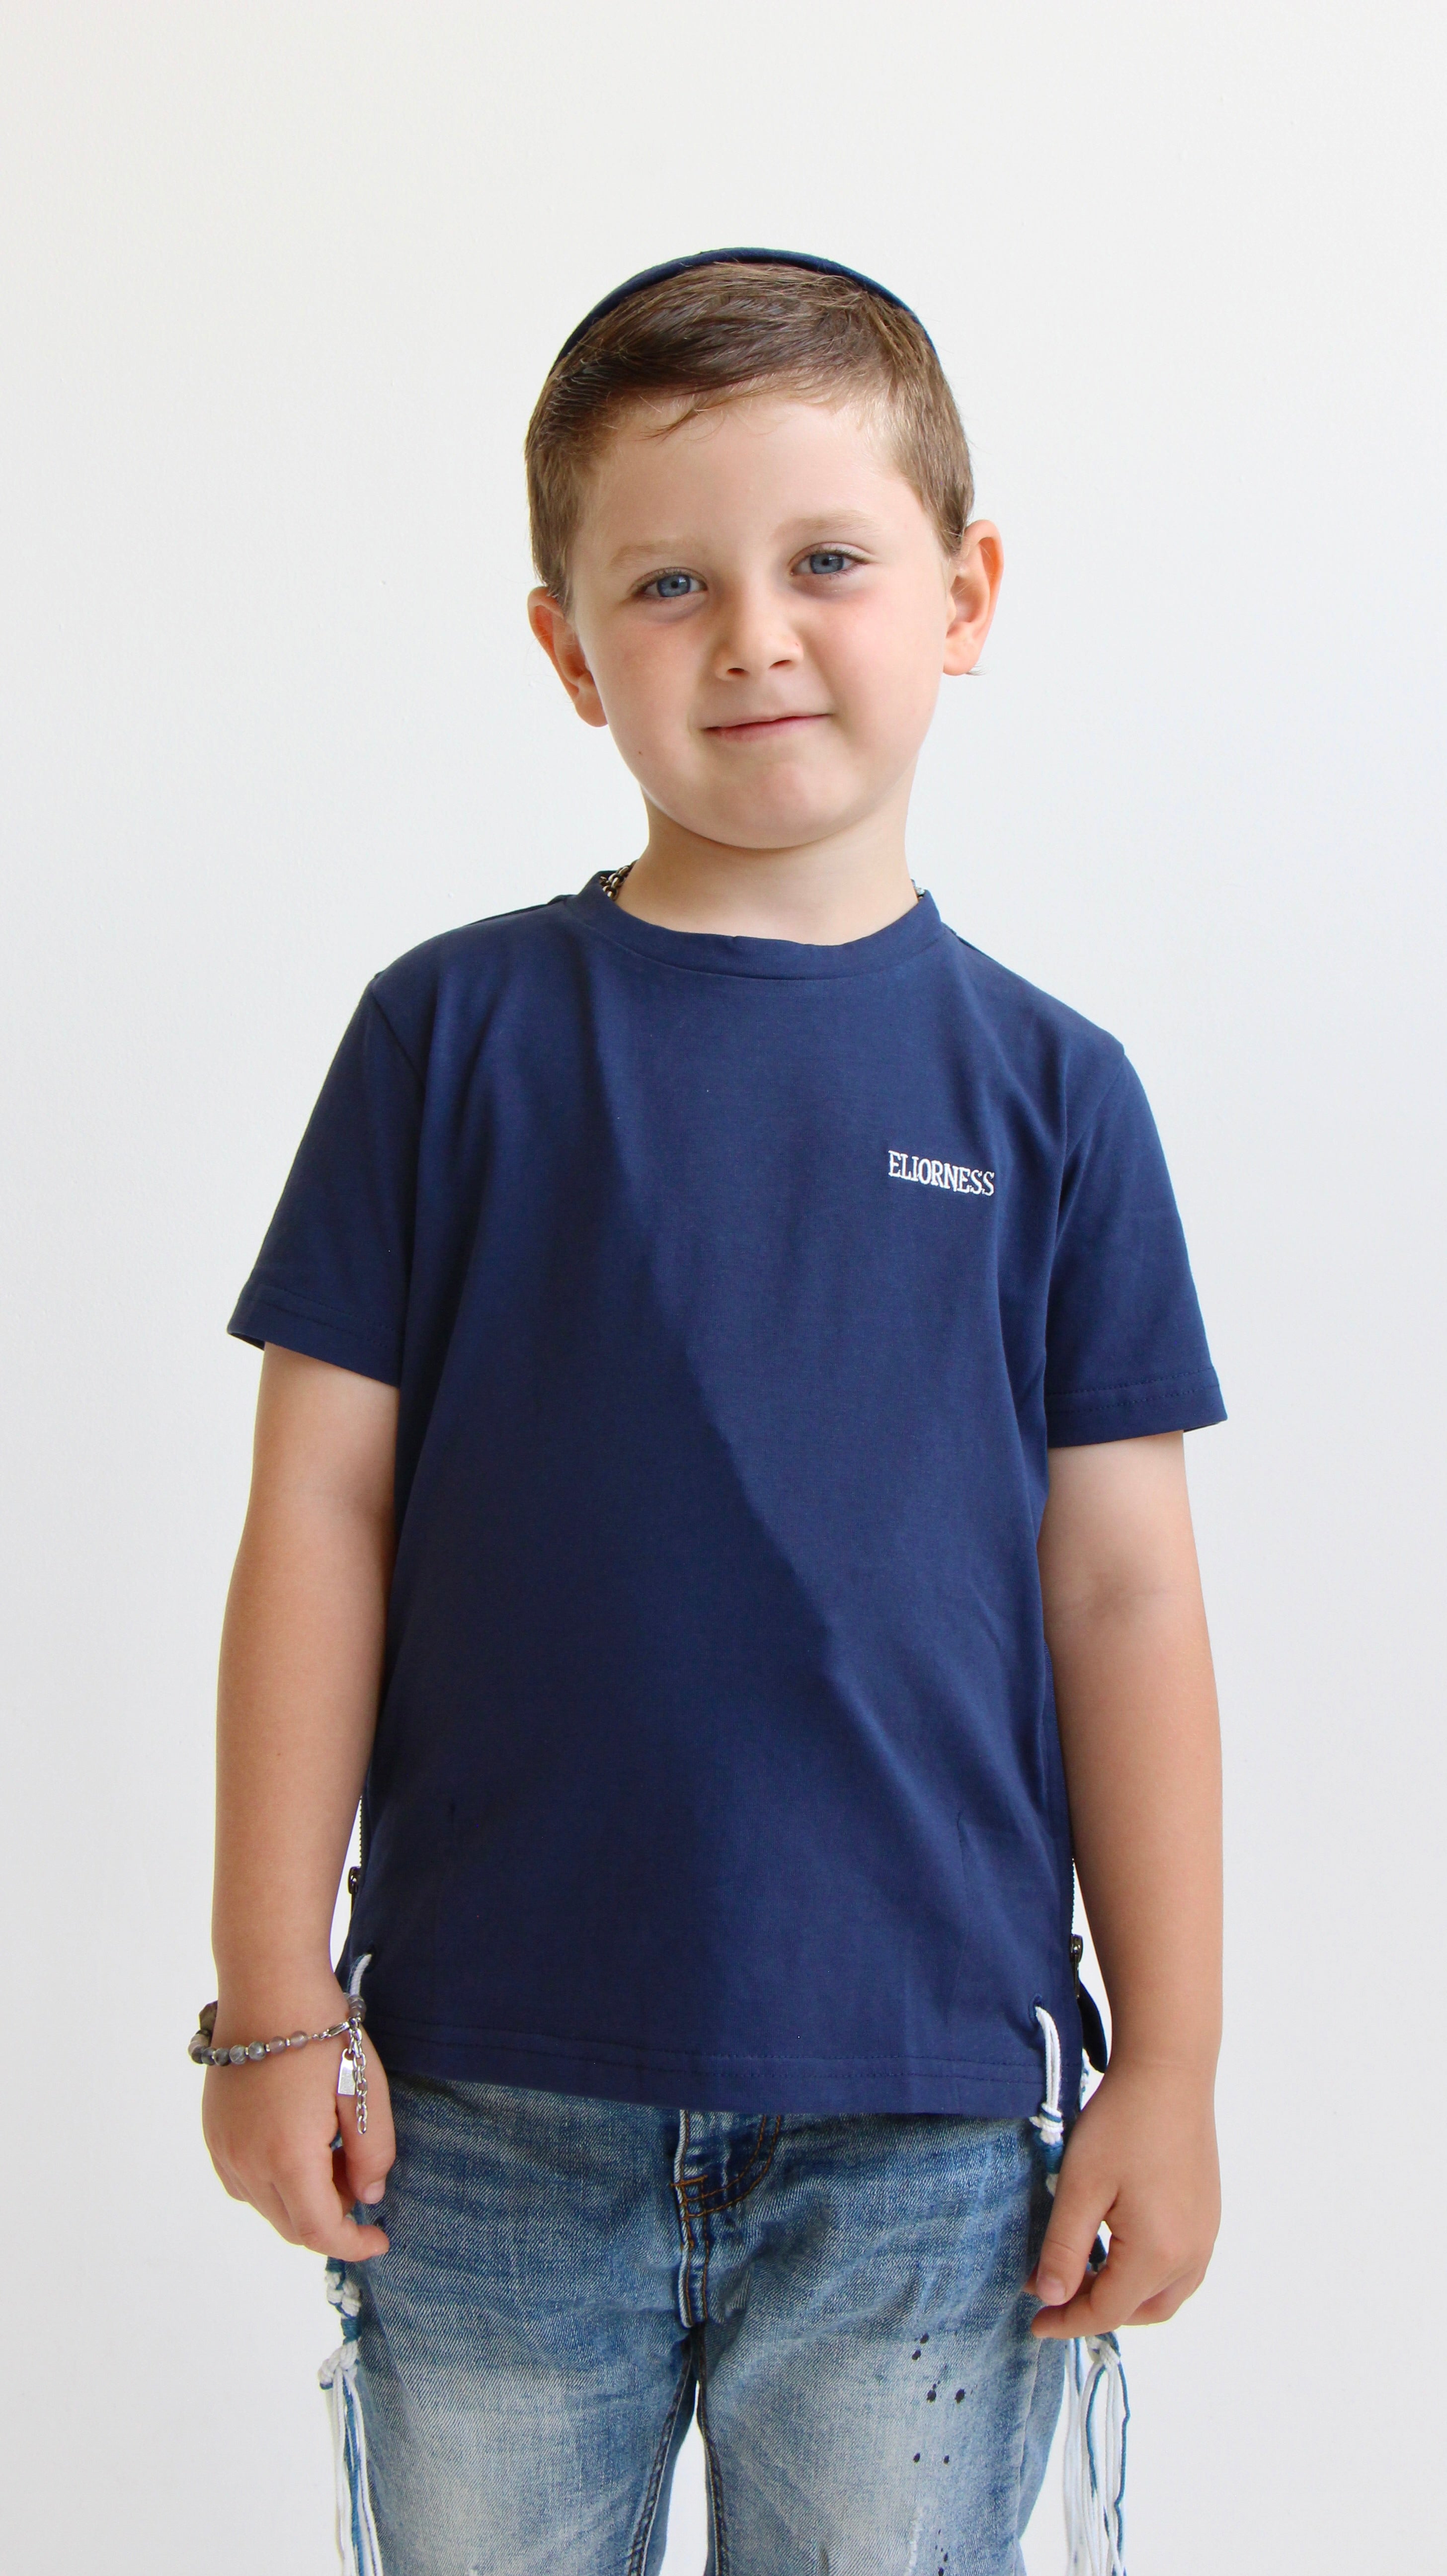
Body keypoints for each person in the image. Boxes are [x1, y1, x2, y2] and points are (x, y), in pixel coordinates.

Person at [198, 250, 1224, 2576]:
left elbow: (1123, 1594)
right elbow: (319, 1519)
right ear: (568, 651)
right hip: (479, 2102)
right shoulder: (449, 1039)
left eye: (825, 561)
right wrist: (268, 2000)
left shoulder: (1054, 1094)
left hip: (928, 2119)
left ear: (962, 595)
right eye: (668, 584)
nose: (753, 635)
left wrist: (1166, 2061)